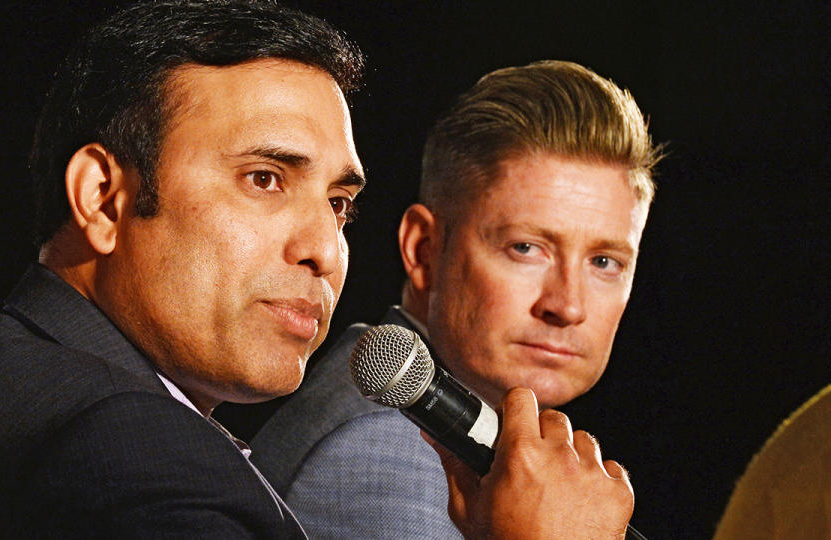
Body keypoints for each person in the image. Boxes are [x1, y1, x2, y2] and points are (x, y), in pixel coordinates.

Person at [0, 0, 639, 536]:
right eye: (266, 179)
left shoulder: (5, 359)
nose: (323, 248)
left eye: (339, 204)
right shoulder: (136, 467)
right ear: (103, 199)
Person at [250, 60, 662, 539]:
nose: (567, 306)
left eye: (604, 262)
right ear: (423, 250)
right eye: (525, 249)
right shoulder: (386, 450)